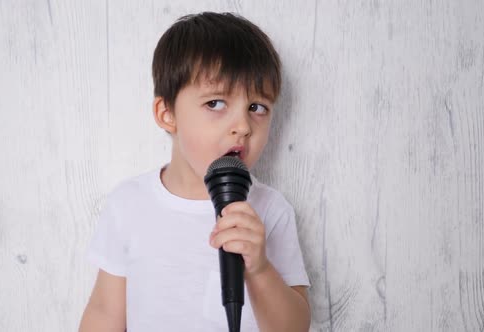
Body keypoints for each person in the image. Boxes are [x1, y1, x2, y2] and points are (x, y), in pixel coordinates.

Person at [79, 11, 311, 331]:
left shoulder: (271, 210)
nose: (242, 127)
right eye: (215, 103)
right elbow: (104, 313)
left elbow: (295, 326)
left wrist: (259, 269)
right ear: (167, 114)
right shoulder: (128, 205)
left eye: (256, 107)